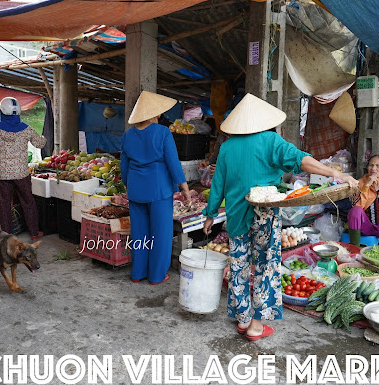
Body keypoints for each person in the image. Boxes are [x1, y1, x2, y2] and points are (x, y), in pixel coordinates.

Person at [203, 93, 358, 341]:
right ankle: (255, 325)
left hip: (235, 214)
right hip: (263, 214)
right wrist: (334, 173)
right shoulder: (271, 141)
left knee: (239, 265)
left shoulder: (227, 147)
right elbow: (302, 160)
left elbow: (218, 184)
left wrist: (210, 214)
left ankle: (243, 319)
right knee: (265, 266)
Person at [121, 91, 191, 285]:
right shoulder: (162, 133)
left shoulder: (128, 135)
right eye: (157, 112)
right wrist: (183, 186)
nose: (159, 116)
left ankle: (137, 273)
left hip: (136, 190)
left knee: (139, 233)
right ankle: (157, 275)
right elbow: (173, 162)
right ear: (152, 114)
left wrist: (129, 185)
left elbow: (124, 166)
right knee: (160, 234)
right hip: (159, 190)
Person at [0, 97, 46, 240]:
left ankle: (7, 236)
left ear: (2, 112)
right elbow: (40, 144)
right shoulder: (26, 129)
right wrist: (43, 137)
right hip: (21, 174)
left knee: (4, 204)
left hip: (1, 175)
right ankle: (34, 233)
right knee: (28, 201)